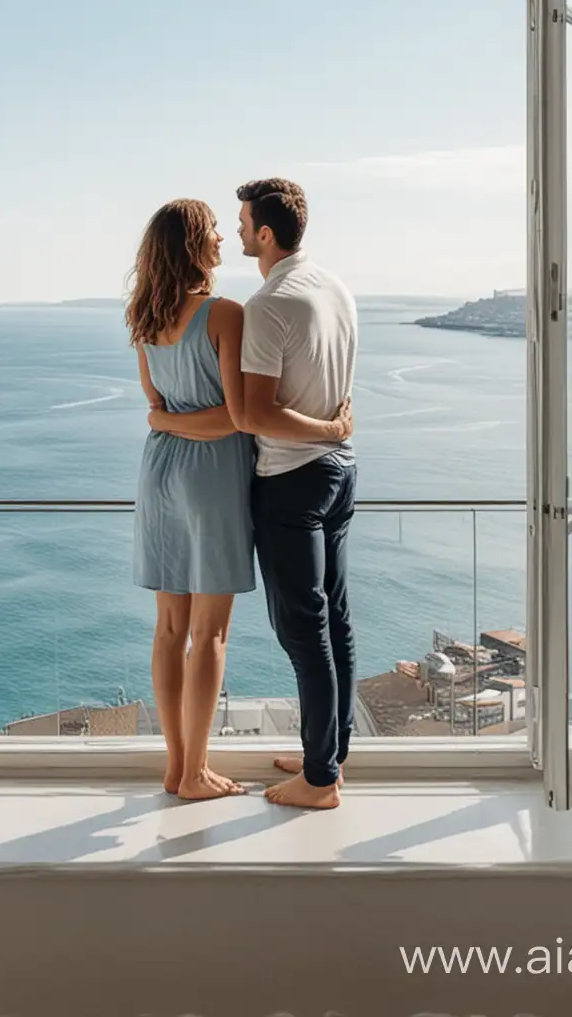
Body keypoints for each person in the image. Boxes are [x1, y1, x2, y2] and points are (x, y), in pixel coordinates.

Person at [126, 199, 259, 801]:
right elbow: (237, 415)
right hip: (211, 479)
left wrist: (169, 421)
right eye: (212, 234)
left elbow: (157, 410)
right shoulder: (224, 315)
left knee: (168, 630)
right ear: (191, 246)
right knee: (208, 635)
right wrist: (187, 421)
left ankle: (177, 767)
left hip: (159, 473)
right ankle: (196, 774)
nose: (220, 243)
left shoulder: (144, 323)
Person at [233, 178, 359, 810]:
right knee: (334, 620)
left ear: (265, 233)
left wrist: (326, 429)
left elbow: (258, 415)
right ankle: (330, 751)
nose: (236, 231)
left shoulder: (268, 304)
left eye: (243, 221)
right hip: (340, 472)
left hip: (291, 480)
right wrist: (337, 432)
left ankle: (318, 781)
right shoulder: (335, 287)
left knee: (304, 631)